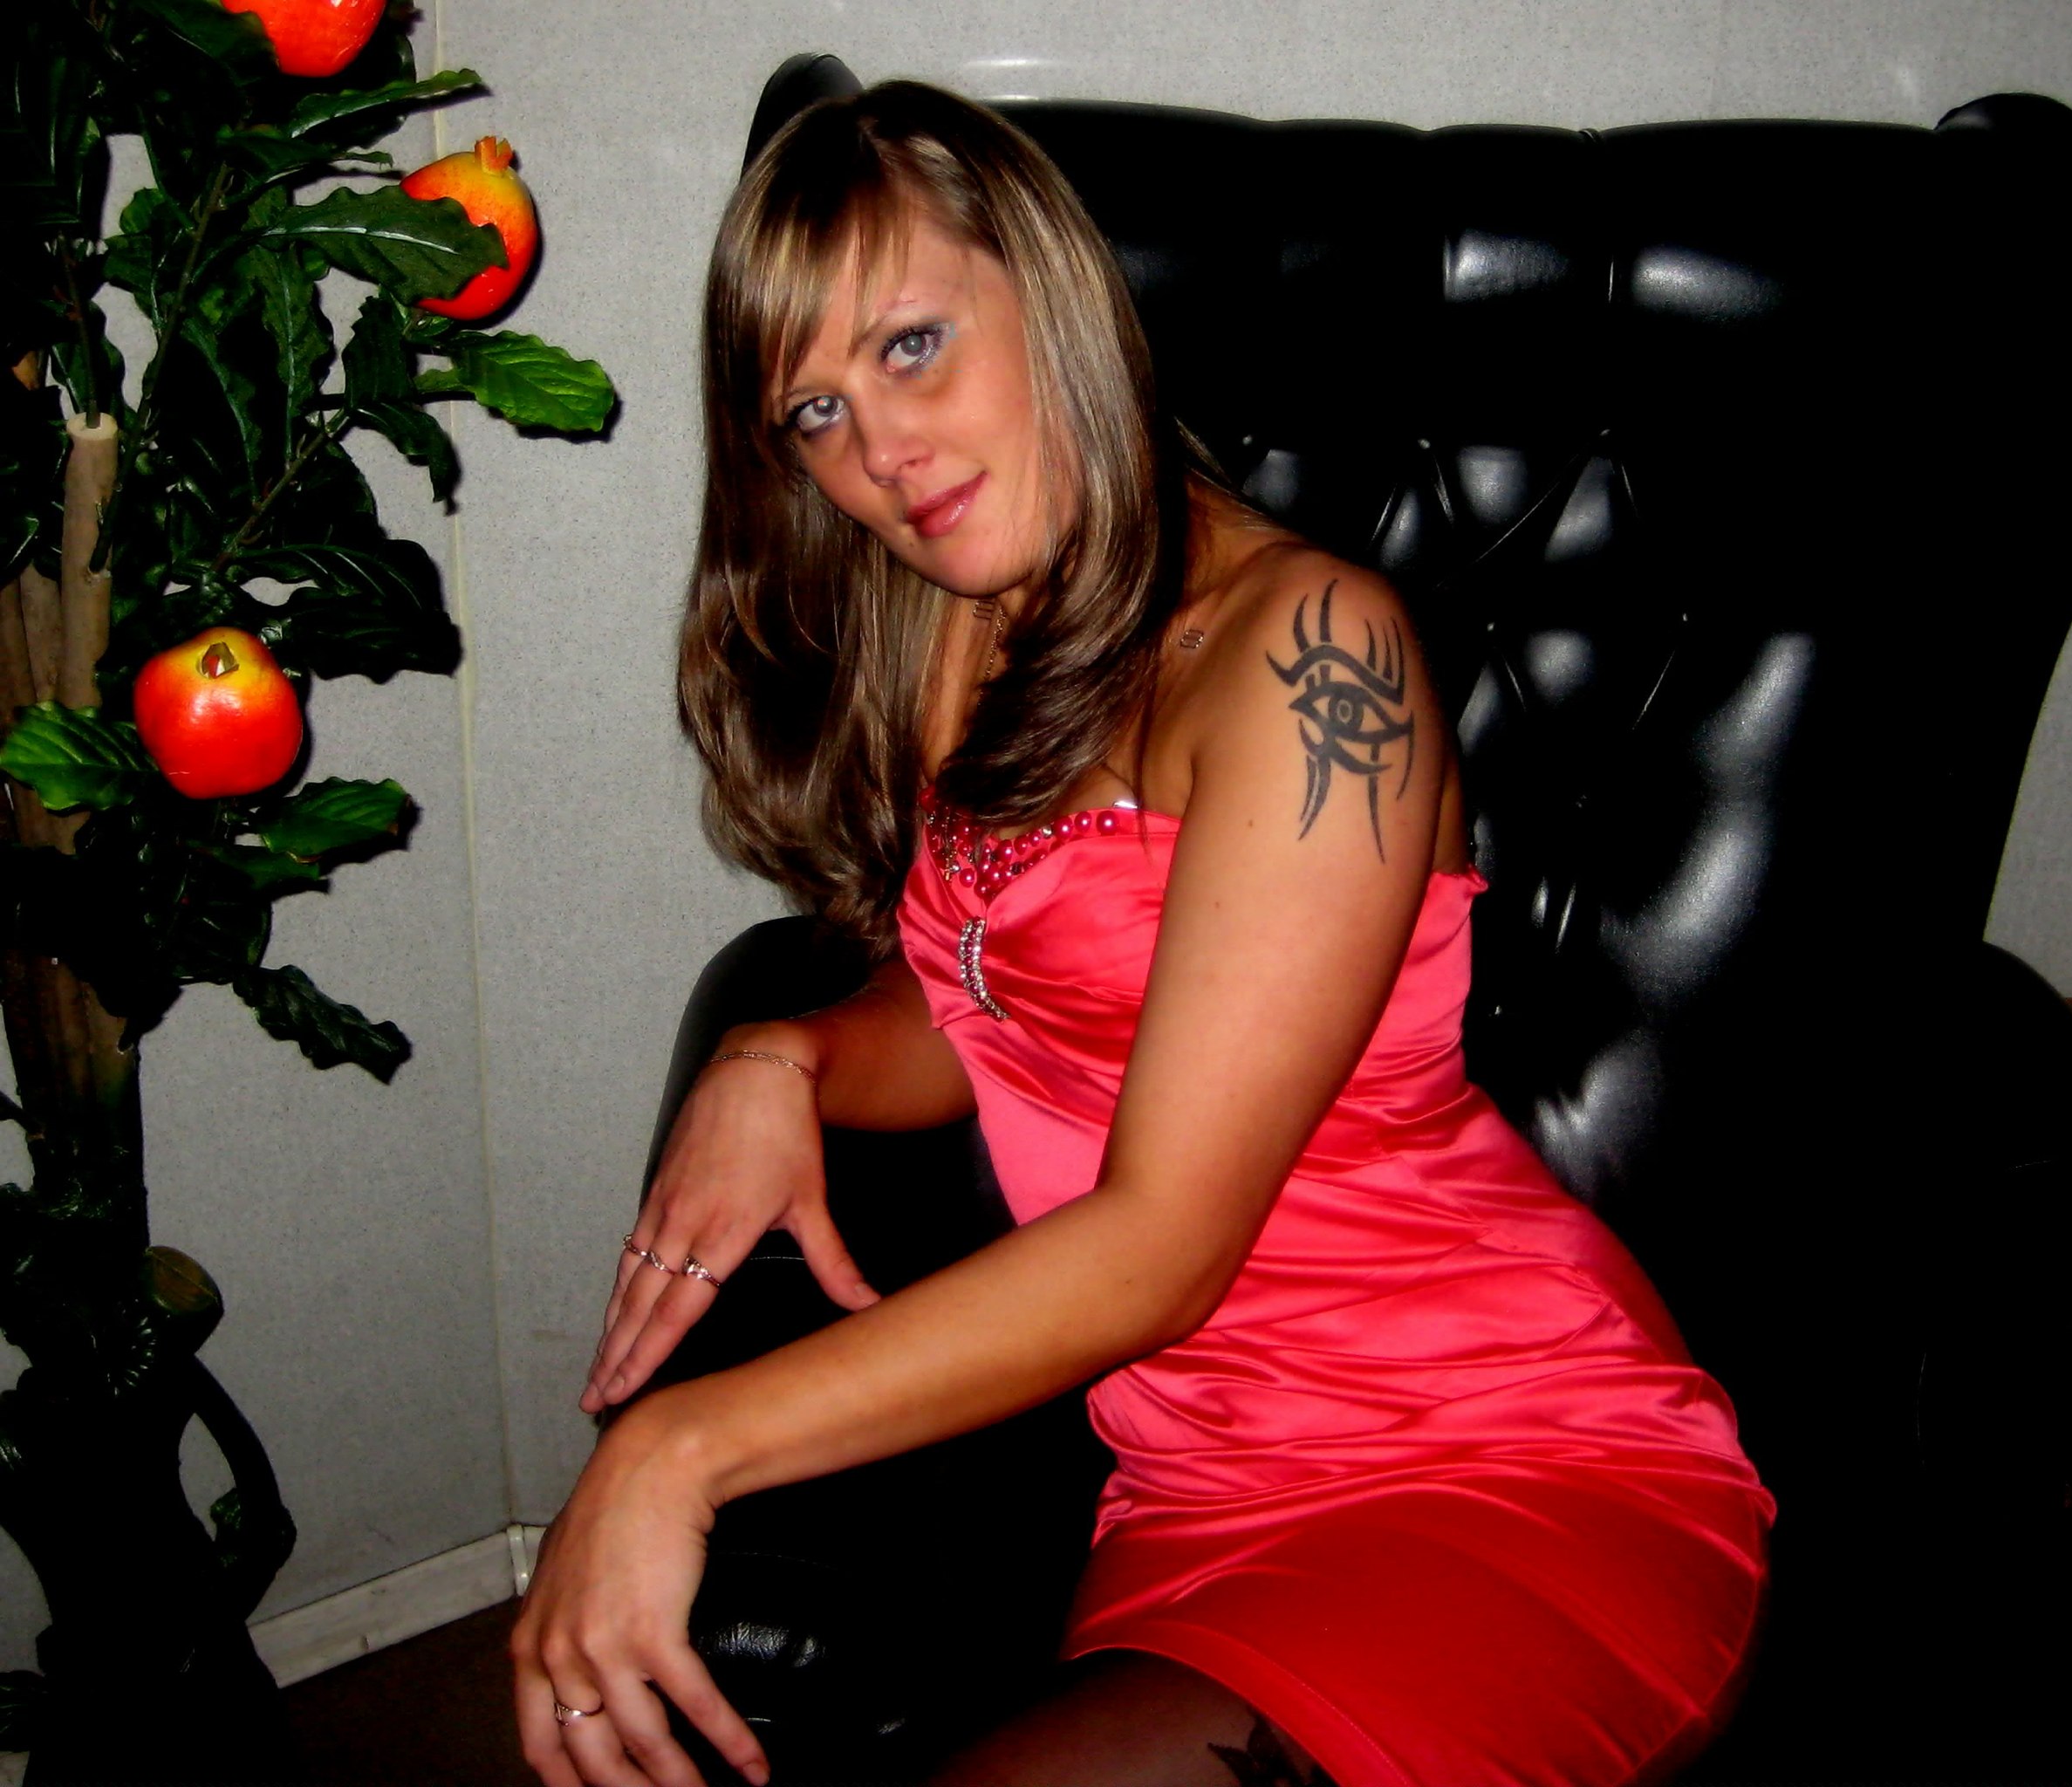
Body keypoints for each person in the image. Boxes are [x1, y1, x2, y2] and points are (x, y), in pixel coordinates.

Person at [512, 79, 1773, 1787]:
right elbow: (984, 998)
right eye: (814, 409)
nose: (879, 456)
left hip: (1501, 1464)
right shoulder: (963, 620)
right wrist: (785, 1052)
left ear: (1049, 291)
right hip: (1195, 1488)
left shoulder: (1312, 656)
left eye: (911, 346)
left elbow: (1164, 1242)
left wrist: (685, 1446)